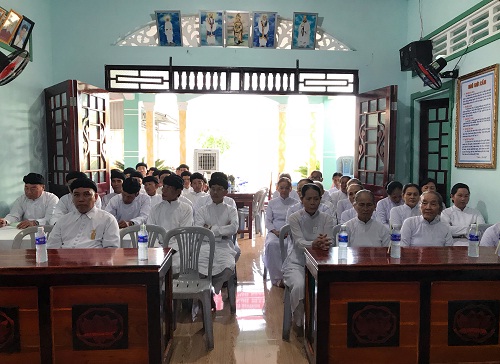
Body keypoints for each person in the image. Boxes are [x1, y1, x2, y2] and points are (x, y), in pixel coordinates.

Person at [283, 183, 333, 327]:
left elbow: (329, 239)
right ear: (301, 199)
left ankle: (321, 324)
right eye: (309, 199)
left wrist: (323, 244)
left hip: (321, 263)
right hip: (297, 262)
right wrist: (315, 243)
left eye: (316, 199)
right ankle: (299, 322)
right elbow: (299, 243)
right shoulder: (294, 218)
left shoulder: (326, 217)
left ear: (320, 199)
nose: (313, 202)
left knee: (328, 289)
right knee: (299, 285)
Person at [194, 173, 239, 300]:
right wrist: (222, 230)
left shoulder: (231, 209)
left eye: (219, 189)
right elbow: (199, 229)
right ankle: (205, 293)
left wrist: (211, 228)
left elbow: (234, 228)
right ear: (209, 190)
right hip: (204, 244)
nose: (215, 192)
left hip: (224, 245)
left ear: (225, 192)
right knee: (199, 265)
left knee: (228, 267)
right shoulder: (202, 210)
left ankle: (212, 290)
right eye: (213, 188)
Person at [47, 178, 119, 248]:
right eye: (77, 195)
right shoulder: (62, 221)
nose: (81, 199)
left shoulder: (108, 220)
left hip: (96, 260)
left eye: (86, 194)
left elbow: (111, 251)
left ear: (96, 197)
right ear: (72, 198)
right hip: (64, 259)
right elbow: (52, 248)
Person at [148, 174, 193, 274]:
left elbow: (184, 235)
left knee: (176, 264)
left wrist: (170, 250)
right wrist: (158, 249)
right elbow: (151, 233)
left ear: (178, 191)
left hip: (178, 249)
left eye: (169, 188)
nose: (164, 190)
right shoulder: (155, 209)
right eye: (164, 187)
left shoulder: (186, 209)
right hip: (157, 250)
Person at [263, 177, 299, 287]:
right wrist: (275, 231)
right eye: (281, 188)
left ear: (290, 189)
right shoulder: (272, 203)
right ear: (278, 188)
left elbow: (297, 220)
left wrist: (289, 231)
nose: (284, 190)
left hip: (291, 231)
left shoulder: (296, 203)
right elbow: (268, 221)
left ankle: (291, 276)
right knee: (272, 244)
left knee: (292, 245)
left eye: (286, 188)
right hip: (275, 232)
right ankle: (277, 278)